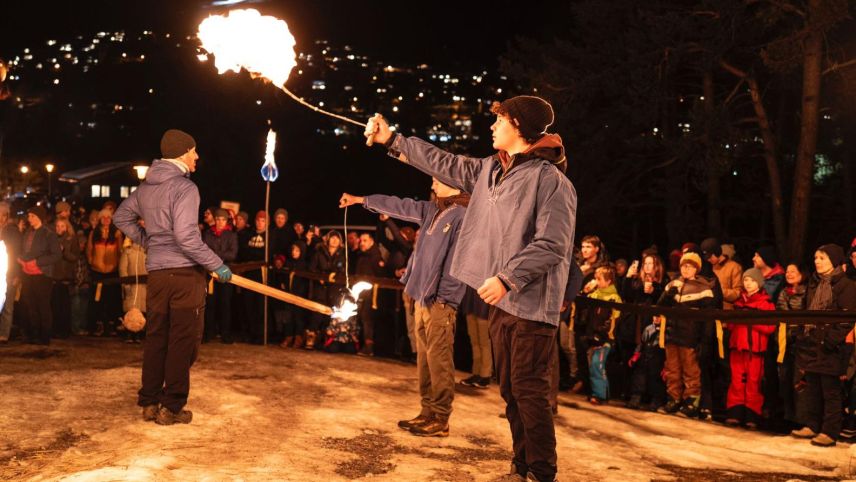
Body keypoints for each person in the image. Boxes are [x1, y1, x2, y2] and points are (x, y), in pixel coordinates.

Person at [365, 94, 576, 482]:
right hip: (503, 303)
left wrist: (507, 278)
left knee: (530, 393)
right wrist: (392, 139)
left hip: (531, 305)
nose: (492, 126)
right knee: (511, 391)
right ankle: (521, 467)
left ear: (519, 127)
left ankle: (542, 474)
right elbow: (443, 162)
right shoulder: (490, 171)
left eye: (501, 120)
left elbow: (553, 244)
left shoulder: (552, 183)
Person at [113, 129, 232, 425]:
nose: (197, 156)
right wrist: (217, 265)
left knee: (157, 338)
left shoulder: (145, 188)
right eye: (194, 150)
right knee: (182, 340)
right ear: (182, 152)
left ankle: (150, 402)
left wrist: (149, 241)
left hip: (157, 274)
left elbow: (120, 217)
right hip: (183, 275)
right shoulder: (185, 188)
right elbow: (188, 239)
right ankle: (172, 407)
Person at [340, 177, 469, 437]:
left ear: (453, 183)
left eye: (437, 179)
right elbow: (398, 205)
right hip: (421, 297)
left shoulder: (463, 216)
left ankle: (441, 418)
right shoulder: (432, 209)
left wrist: (444, 297)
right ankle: (427, 411)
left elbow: (459, 263)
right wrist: (361, 200)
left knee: (439, 359)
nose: (432, 184)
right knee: (424, 359)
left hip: (440, 301)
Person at [790, 244, 856, 447]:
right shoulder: (813, 283)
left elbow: (847, 317)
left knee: (830, 390)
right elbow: (807, 310)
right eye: (816, 257)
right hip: (811, 342)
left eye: (822, 258)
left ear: (834, 261)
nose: (817, 261)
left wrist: (831, 340)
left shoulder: (846, 285)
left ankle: (830, 430)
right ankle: (812, 424)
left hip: (831, 346)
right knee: (813, 388)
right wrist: (802, 334)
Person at [656, 252, 717, 418]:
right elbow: (659, 307)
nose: (685, 269)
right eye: (683, 265)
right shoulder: (673, 284)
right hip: (671, 333)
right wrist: (667, 296)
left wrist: (704, 340)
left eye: (689, 266)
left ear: (696, 268)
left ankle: (691, 401)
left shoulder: (704, 288)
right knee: (672, 368)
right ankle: (673, 398)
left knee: (691, 370)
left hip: (690, 336)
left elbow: (708, 318)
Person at [724, 268, 776, 429]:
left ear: (759, 283)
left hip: (756, 351)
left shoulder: (766, 304)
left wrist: (751, 320)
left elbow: (770, 327)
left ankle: (752, 414)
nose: (748, 283)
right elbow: (732, 326)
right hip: (738, 348)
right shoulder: (739, 303)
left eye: (752, 280)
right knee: (737, 381)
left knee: (753, 382)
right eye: (746, 280)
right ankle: (735, 412)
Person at [18, 206, 61, 345]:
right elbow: (25, 250)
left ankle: (45, 335)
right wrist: (21, 259)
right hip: (27, 273)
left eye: (32, 216)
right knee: (30, 304)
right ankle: (34, 333)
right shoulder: (28, 233)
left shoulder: (49, 234)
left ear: (39, 217)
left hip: (42, 274)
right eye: (29, 216)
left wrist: (38, 262)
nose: (29, 219)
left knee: (42, 305)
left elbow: (56, 255)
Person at [583, 265, 622, 404]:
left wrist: (602, 334)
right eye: (596, 278)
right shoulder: (594, 294)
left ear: (609, 281)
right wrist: (585, 291)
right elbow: (584, 310)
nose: (596, 281)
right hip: (591, 337)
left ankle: (601, 395)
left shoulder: (614, 298)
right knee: (591, 365)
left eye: (599, 279)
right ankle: (594, 392)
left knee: (597, 365)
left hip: (604, 340)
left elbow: (614, 321)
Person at [202, 208, 238, 344]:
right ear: (215, 220)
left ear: (226, 221)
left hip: (225, 273)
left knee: (225, 304)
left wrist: (215, 257)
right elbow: (203, 251)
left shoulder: (231, 235)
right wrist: (215, 259)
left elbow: (233, 254)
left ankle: (225, 333)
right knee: (209, 304)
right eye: (218, 219)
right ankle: (208, 332)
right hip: (210, 274)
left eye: (223, 219)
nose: (220, 222)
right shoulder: (208, 234)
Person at [86, 209, 123, 336]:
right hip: (98, 272)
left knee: (111, 300)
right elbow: (89, 250)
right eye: (103, 217)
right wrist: (92, 262)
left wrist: (117, 265)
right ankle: (98, 325)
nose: (106, 219)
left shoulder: (117, 233)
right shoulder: (94, 233)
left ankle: (110, 325)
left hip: (112, 272)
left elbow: (120, 251)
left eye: (108, 217)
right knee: (98, 300)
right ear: (100, 219)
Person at [51, 218, 80, 339]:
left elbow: (75, 257)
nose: (59, 229)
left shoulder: (72, 239)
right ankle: (56, 329)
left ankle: (65, 330)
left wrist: (64, 252)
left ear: (67, 227)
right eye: (57, 226)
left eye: (62, 226)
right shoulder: (52, 239)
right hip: (54, 276)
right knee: (55, 305)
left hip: (66, 277)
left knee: (65, 306)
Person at [119, 223, 147, 344]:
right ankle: (129, 333)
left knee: (143, 309)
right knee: (131, 309)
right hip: (131, 286)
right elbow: (123, 269)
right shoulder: (128, 252)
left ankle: (140, 333)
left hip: (145, 286)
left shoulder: (148, 253)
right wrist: (125, 284)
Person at [0, 202, 22, 344]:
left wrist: (17, 274)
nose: (2, 218)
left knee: (7, 306)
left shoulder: (12, 232)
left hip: (9, 274)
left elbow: (17, 254)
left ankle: (3, 334)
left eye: (4, 215)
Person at [701, 237, 743, 310]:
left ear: (717, 252)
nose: (708, 259)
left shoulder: (734, 267)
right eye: (706, 257)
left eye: (710, 256)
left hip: (725, 310)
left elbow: (738, 293)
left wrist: (718, 291)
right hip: (708, 309)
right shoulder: (707, 268)